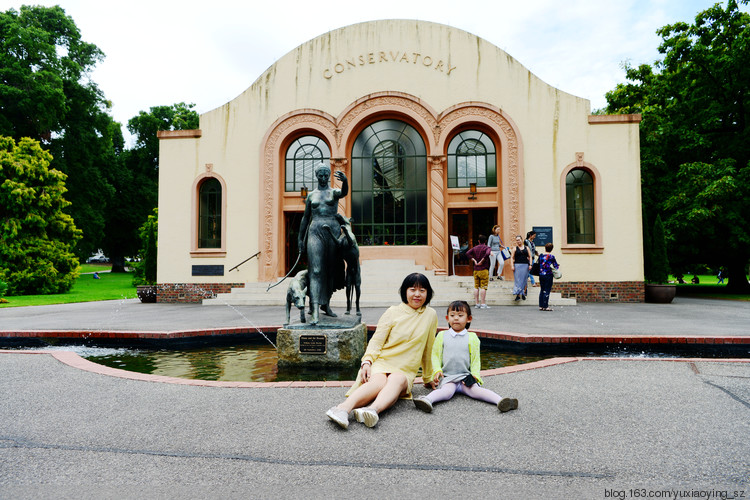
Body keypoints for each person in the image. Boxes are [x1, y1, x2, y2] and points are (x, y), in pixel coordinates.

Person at [326, 273, 438, 429]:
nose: (417, 294)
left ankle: (372, 410)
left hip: (405, 369)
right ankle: (342, 409)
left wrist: (427, 377)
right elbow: (377, 341)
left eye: (422, 290)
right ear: (405, 291)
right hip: (383, 361)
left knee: (397, 379)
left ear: (428, 293)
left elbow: (428, 347)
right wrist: (367, 362)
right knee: (378, 381)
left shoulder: (430, 315)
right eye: (413, 289)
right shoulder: (392, 312)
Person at [413, 301, 518, 413]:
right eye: (452, 315)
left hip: (465, 377)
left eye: (460, 315)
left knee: (476, 391)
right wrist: (437, 370)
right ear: (447, 318)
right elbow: (435, 355)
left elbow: (475, 360)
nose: (456, 318)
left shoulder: (472, 337)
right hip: (449, 377)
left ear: (469, 319)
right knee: (446, 392)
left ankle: (501, 401)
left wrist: (475, 375)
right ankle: (427, 400)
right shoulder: (442, 335)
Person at [297, 163, 347, 325]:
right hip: (315, 231)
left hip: (332, 231)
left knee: (330, 270)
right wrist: (300, 239)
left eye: (327, 175)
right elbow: (305, 218)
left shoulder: (334, 192)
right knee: (316, 270)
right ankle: (315, 309)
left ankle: (326, 304)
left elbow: (344, 192)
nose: (324, 178)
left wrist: (345, 181)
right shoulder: (311, 196)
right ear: (317, 176)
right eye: (321, 175)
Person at [465, 234, 492, 309]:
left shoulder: (475, 248)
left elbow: (467, 253)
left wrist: (473, 260)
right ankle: (483, 304)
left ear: (478, 241)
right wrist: (482, 260)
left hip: (476, 270)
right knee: (483, 287)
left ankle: (477, 303)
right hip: (484, 269)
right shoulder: (487, 247)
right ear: (485, 241)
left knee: (476, 286)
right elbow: (488, 253)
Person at [537, 242, 560, 311]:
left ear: (545, 248)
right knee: (547, 290)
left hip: (541, 274)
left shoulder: (541, 256)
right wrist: (558, 266)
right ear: (551, 249)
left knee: (542, 290)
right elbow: (555, 266)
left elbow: (539, 263)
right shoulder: (551, 257)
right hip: (548, 275)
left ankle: (541, 306)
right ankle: (545, 306)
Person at [510, 235, 531, 301]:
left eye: (519, 240)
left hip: (525, 265)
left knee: (524, 280)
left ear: (522, 240)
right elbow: (512, 257)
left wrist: (530, 264)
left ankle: (523, 293)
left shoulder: (526, 248)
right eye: (517, 240)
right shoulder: (515, 248)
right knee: (518, 280)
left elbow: (530, 256)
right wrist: (512, 265)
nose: (518, 241)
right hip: (517, 265)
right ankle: (518, 294)